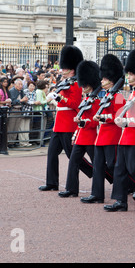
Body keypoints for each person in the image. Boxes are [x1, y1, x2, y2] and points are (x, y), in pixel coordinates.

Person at [104, 48, 135, 212]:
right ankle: (120, 201)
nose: (128, 76)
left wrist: (124, 121)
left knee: (134, 169)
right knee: (119, 169)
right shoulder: (133, 94)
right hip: (125, 137)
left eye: (131, 74)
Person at [38, 45, 92, 192]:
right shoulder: (64, 83)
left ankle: (95, 172)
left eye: (65, 67)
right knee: (52, 153)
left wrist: (60, 97)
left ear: (72, 69)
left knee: (73, 156)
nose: (62, 70)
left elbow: (76, 105)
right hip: (59, 123)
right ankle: (52, 182)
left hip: (69, 124)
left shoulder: (75, 84)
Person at [81, 54, 125, 204]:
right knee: (98, 166)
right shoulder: (105, 95)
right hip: (101, 136)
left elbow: (118, 117)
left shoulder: (118, 96)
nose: (101, 81)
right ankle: (97, 194)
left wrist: (104, 119)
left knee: (113, 165)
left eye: (104, 79)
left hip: (112, 135)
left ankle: (130, 185)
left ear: (111, 80)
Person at [59, 61, 101, 198]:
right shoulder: (85, 100)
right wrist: (76, 133)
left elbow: (95, 121)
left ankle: (100, 191)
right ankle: (71, 189)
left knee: (98, 165)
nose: (83, 88)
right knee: (73, 162)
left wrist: (83, 122)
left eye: (85, 85)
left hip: (90, 137)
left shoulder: (96, 101)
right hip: (81, 137)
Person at [7, 79, 30, 147]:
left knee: (16, 127)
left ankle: (13, 141)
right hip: (13, 109)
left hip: (20, 109)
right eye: (19, 84)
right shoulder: (12, 91)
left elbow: (23, 100)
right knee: (11, 126)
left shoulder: (22, 91)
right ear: (15, 85)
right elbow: (12, 101)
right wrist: (21, 100)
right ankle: (9, 142)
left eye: (21, 84)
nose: (20, 86)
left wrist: (24, 100)